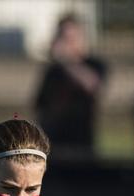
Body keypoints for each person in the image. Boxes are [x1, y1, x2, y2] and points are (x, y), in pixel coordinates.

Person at [33, 13, 107, 160]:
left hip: (81, 142)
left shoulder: (94, 64)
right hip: (53, 143)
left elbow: (91, 85)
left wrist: (66, 61)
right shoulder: (53, 71)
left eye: (70, 39)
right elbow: (40, 105)